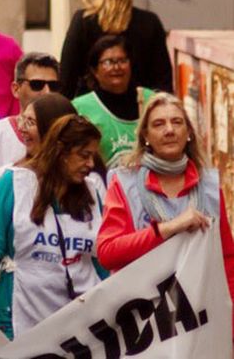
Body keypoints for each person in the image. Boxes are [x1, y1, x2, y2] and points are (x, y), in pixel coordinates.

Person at [0, 115, 108, 339]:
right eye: (84, 156)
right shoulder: (15, 183)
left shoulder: (92, 191)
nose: (91, 165)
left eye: (93, 156)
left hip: (79, 329)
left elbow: (100, 260)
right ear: (61, 152)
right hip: (18, 321)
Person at [98, 92, 234, 306]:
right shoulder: (124, 182)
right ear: (145, 136)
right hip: (145, 318)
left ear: (188, 132)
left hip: (200, 313)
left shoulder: (208, 185)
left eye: (177, 122)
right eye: (159, 124)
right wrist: (167, 229)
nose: (169, 130)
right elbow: (107, 253)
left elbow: (226, 258)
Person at [59, 0, 172, 98]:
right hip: (139, 110)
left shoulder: (82, 21)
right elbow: (163, 82)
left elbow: (67, 78)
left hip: (91, 113)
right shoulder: (150, 22)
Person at [0, 54, 63, 214]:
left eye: (54, 86)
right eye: (37, 84)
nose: (47, 92)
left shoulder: (70, 131)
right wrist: (11, 185)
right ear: (16, 89)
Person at [71, 35, 154, 167]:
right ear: (94, 70)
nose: (117, 67)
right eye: (108, 62)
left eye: (122, 60)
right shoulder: (80, 107)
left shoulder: (151, 100)